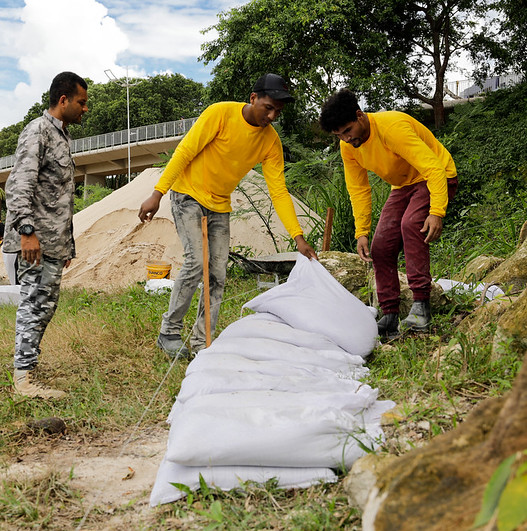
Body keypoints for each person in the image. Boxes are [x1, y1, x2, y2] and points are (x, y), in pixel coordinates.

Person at [138, 73, 318, 358]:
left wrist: (297, 236)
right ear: (253, 99)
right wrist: (158, 193)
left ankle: (202, 340)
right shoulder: (219, 114)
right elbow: (185, 151)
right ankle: (169, 332)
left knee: (218, 274)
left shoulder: (271, 142)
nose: (271, 116)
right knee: (196, 262)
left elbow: (279, 191)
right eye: (267, 108)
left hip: (220, 205)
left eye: (277, 112)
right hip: (188, 195)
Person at [318, 89, 458, 338]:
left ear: (359, 116)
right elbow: (358, 190)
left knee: (411, 224)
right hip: (404, 186)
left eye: (347, 130)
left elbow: (433, 167)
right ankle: (390, 314)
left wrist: (437, 212)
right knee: (381, 245)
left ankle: (420, 307)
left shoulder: (391, 128)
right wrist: (361, 232)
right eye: (338, 135)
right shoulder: (348, 147)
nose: (346, 139)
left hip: (438, 176)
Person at [2, 71, 88, 398]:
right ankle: (23, 380)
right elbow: (19, 185)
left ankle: (27, 370)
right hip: (34, 242)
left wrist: (65, 246)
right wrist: (27, 232)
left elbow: (58, 195)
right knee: (34, 304)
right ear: (63, 100)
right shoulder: (37, 132)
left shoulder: (61, 136)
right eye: (81, 102)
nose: (85, 109)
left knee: (45, 305)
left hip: (52, 242)